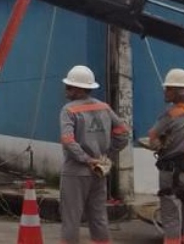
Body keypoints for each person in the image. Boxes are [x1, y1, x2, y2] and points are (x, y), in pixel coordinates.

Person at [59, 65, 129, 244]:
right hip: (99, 171)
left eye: (69, 86)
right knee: (98, 217)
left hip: (75, 172)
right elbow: (123, 133)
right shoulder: (104, 107)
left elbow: (68, 140)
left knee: (71, 218)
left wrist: (87, 159)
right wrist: (106, 156)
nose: (66, 89)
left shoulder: (69, 110)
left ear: (80, 88)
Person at [147, 68, 184, 244]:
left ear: (178, 91)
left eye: (168, 88)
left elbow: (153, 140)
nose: (165, 91)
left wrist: (163, 142)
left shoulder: (170, 114)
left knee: (171, 216)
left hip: (171, 172)